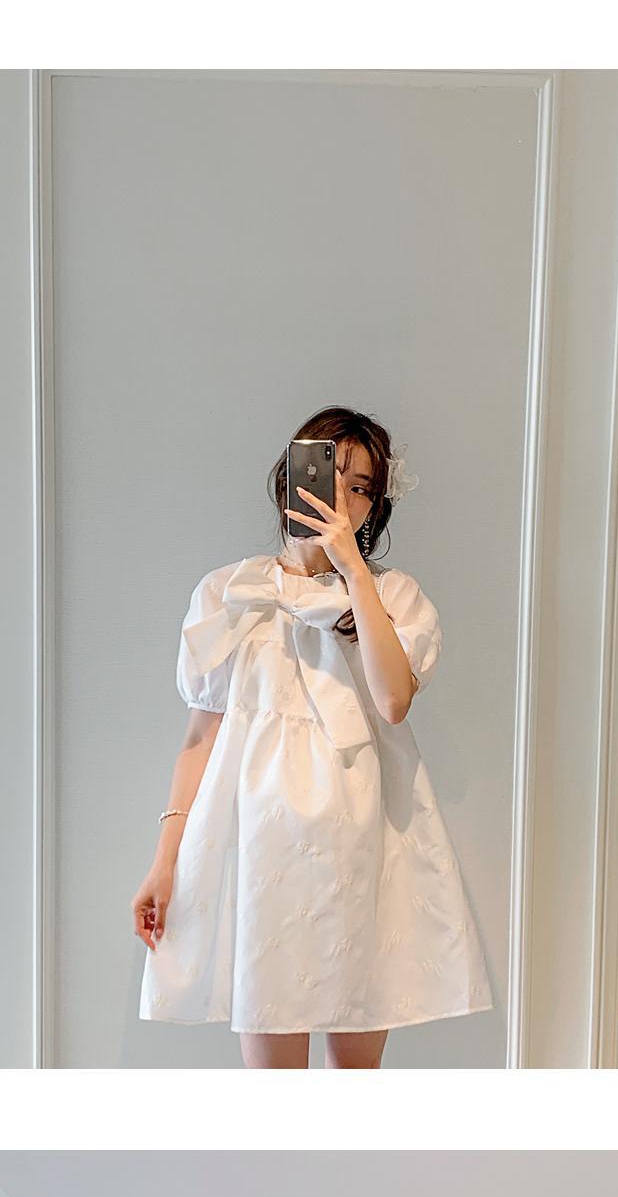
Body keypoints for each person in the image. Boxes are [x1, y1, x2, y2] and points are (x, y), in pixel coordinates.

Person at [133, 404, 490, 1066]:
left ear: (376, 508)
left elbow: (393, 701)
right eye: (330, 475)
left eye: (362, 488)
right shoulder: (230, 592)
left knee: (354, 1079)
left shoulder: (393, 597)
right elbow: (200, 739)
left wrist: (353, 572)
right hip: (261, 855)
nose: (343, 499)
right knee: (276, 1093)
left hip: (368, 847)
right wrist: (165, 861)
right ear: (291, 480)